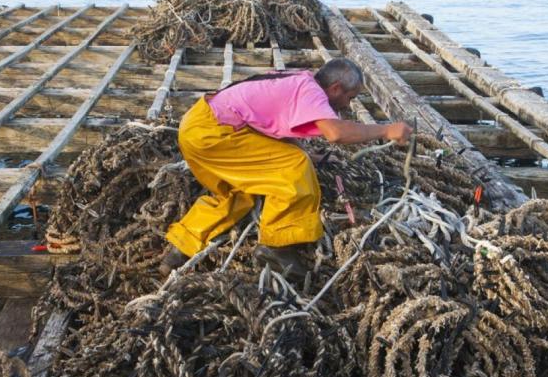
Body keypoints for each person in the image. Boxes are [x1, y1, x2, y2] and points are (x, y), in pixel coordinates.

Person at [161, 58, 412, 276]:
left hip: (197, 126)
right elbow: (336, 133)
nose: (348, 105)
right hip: (216, 132)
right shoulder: (311, 91)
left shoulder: (297, 81)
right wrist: (387, 130)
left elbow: (274, 127)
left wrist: (310, 153)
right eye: (349, 97)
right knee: (295, 167)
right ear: (335, 88)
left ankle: (179, 249)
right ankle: (276, 246)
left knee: (240, 190)